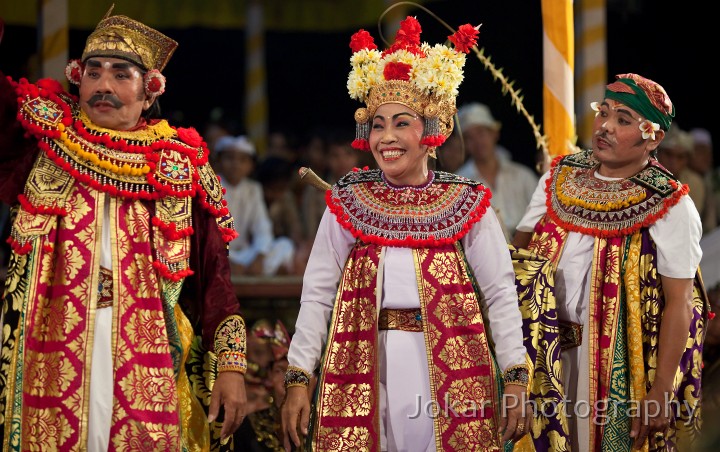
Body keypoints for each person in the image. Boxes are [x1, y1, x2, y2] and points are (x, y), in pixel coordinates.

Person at [0, 9, 248, 451]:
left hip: (148, 351)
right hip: (49, 346)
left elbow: (215, 276)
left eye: (120, 74)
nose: (104, 86)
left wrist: (231, 366)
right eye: (93, 73)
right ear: (78, 78)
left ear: (149, 89)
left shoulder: (179, 165)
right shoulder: (43, 143)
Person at [281, 16, 530, 451]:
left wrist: (514, 375)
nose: (387, 137)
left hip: (451, 362)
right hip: (364, 361)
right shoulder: (348, 200)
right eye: (378, 124)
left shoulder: (466, 200)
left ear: (431, 133)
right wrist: (299, 376)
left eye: (401, 123)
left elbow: (500, 293)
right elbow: (317, 293)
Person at [512, 73, 709, 451]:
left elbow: (681, 303)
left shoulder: (670, 204)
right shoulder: (559, 177)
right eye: (603, 113)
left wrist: (660, 388)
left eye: (622, 120)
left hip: (612, 358)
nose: (604, 126)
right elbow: (517, 262)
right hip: (542, 353)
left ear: (654, 137)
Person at [455, 102, 539, 240]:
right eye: (469, 137)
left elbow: (542, 218)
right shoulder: (460, 182)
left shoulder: (523, 175)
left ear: (494, 133)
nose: (477, 141)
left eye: (481, 133)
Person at [215, 135, 294, 276]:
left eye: (242, 160)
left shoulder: (254, 189)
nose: (236, 165)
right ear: (218, 162)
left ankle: (250, 271)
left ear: (250, 166)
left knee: (284, 245)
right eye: (229, 158)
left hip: (246, 256)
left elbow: (262, 228)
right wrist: (228, 262)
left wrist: (259, 257)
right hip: (220, 255)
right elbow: (208, 237)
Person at [235, 319, 293, 452]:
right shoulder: (249, 425)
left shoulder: (323, 423)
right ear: (270, 375)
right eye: (280, 370)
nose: (288, 377)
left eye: (294, 371)